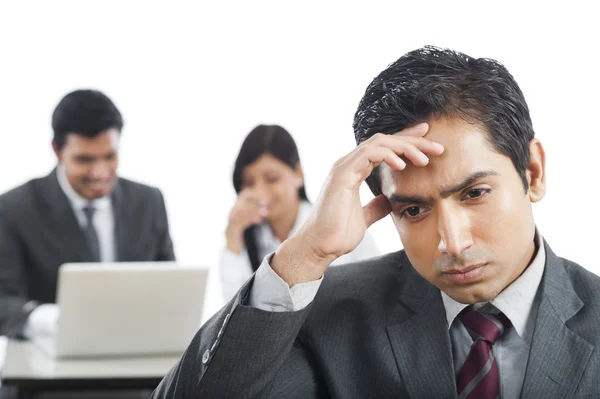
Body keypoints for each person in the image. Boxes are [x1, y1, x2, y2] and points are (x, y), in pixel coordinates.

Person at [152, 46, 600, 398]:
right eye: (413, 210)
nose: (452, 242)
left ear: (533, 173)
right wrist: (306, 252)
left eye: (475, 193)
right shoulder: (332, 315)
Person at [0, 89, 175, 340]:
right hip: (47, 366)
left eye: (110, 156)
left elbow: (169, 285)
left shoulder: (149, 202)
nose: (100, 173)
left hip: (136, 359)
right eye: (85, 159)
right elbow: (3, 301)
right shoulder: (14, 209)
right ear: (57, 150)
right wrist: (53, 319)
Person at [220, 124, 379, 300]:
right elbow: (233, 316)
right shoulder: (248, 238)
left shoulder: (341, 224)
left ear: (298, 174)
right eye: (249, 183)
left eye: (271, 179)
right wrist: (232, 234)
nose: (259, 192)